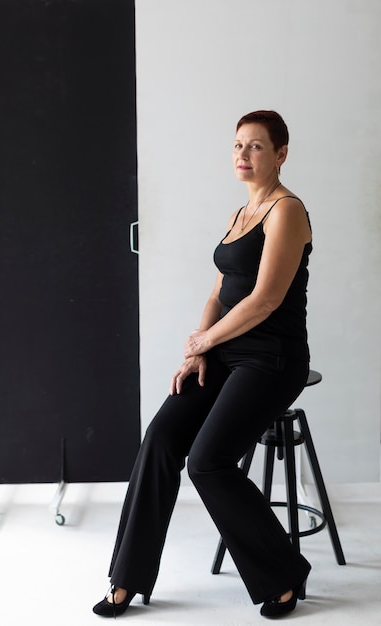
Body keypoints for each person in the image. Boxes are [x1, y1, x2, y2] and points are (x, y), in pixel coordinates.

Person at [93, 110, 313, 619]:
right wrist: (199, 352)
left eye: (256, 147)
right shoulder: (241, 214)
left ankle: (283, 574)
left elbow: (264, 300)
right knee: (161, 439)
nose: (243, 155)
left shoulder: (287, 211)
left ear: (280, 154)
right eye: (238, 145)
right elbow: (219, 289)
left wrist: (205, 341)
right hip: (227, 351)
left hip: (272, 357)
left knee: (208, 462)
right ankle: (126, 579)